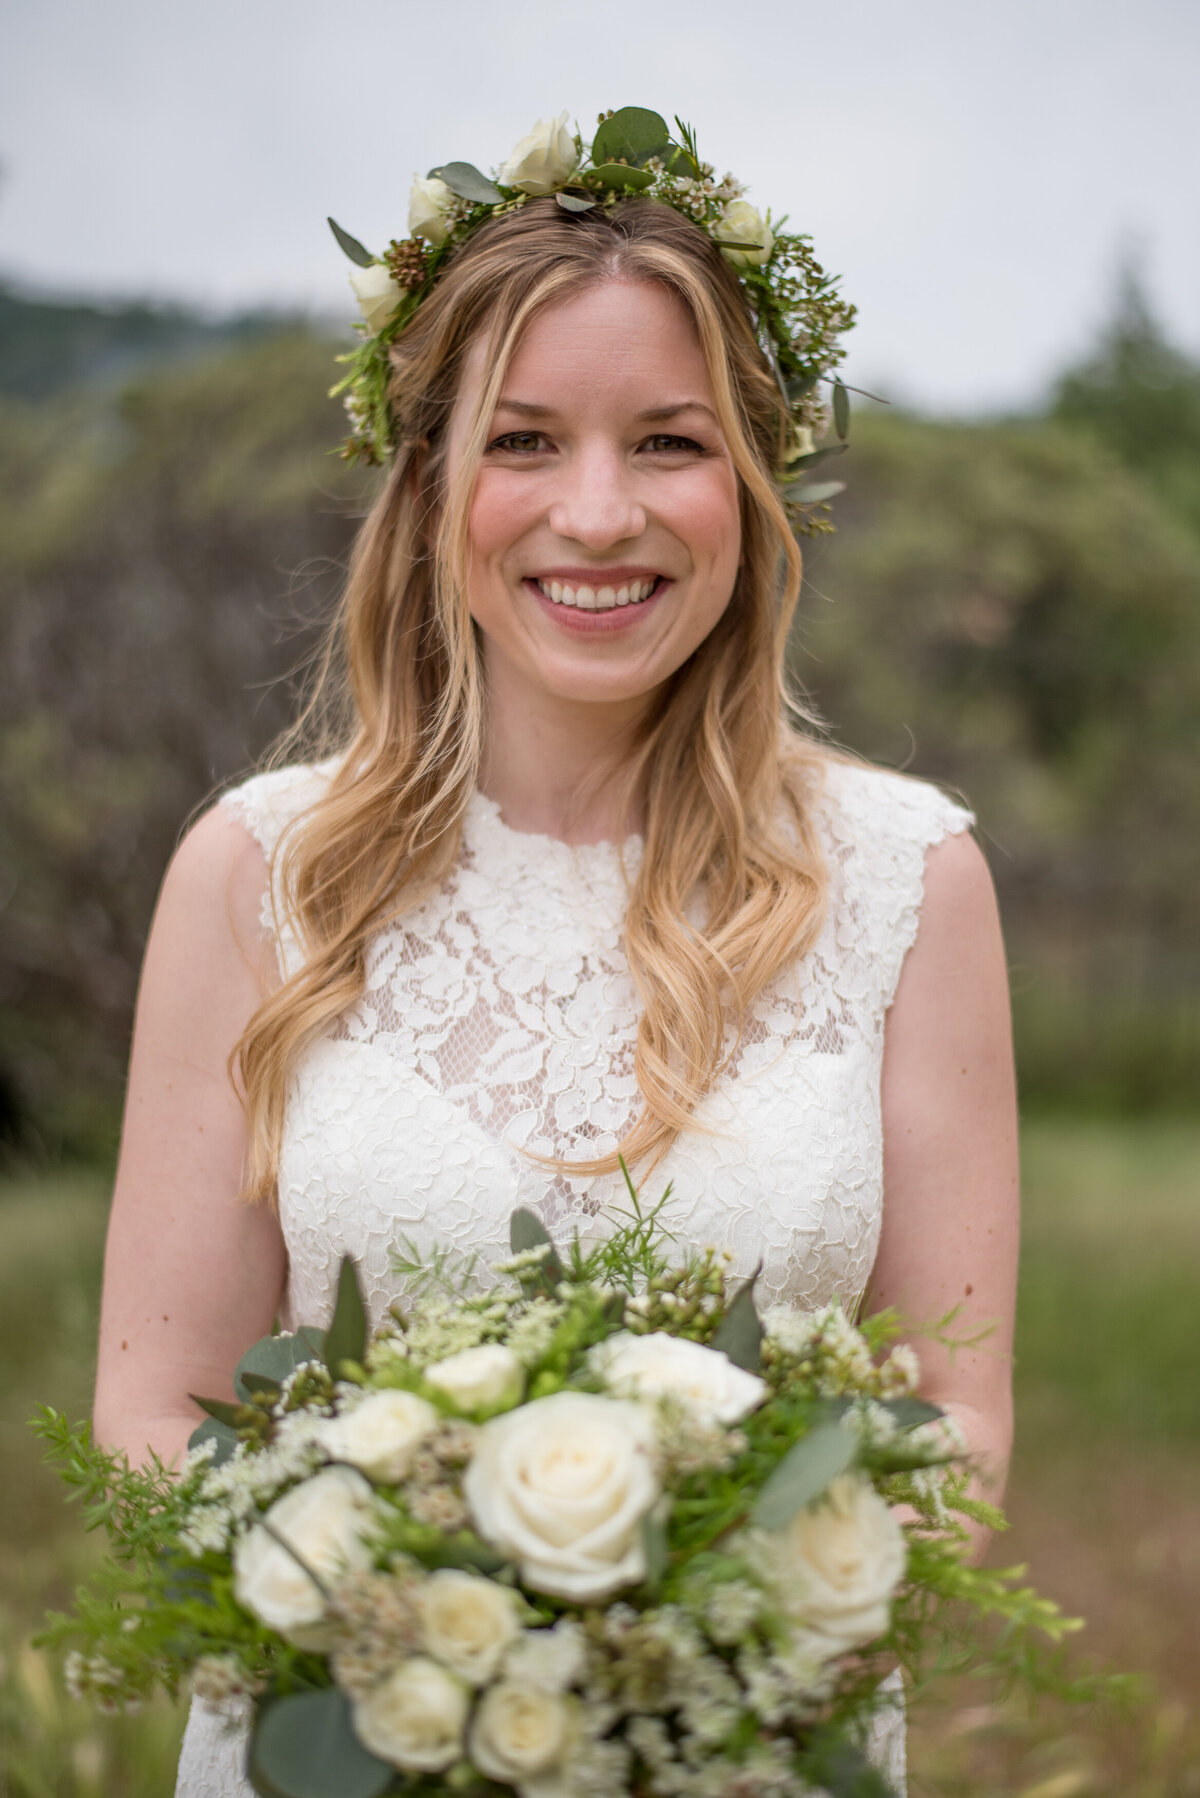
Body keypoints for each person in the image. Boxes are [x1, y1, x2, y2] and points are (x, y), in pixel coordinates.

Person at [92, 112, 1018, 1798]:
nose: (597, 515)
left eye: (668, 441)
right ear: (429, 476)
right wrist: (431, 1630)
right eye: (525, 438)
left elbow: (950, 1416)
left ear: (753, 477)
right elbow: (159, 1413)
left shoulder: (912, 882)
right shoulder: (255, 876)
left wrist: (686, 1643)